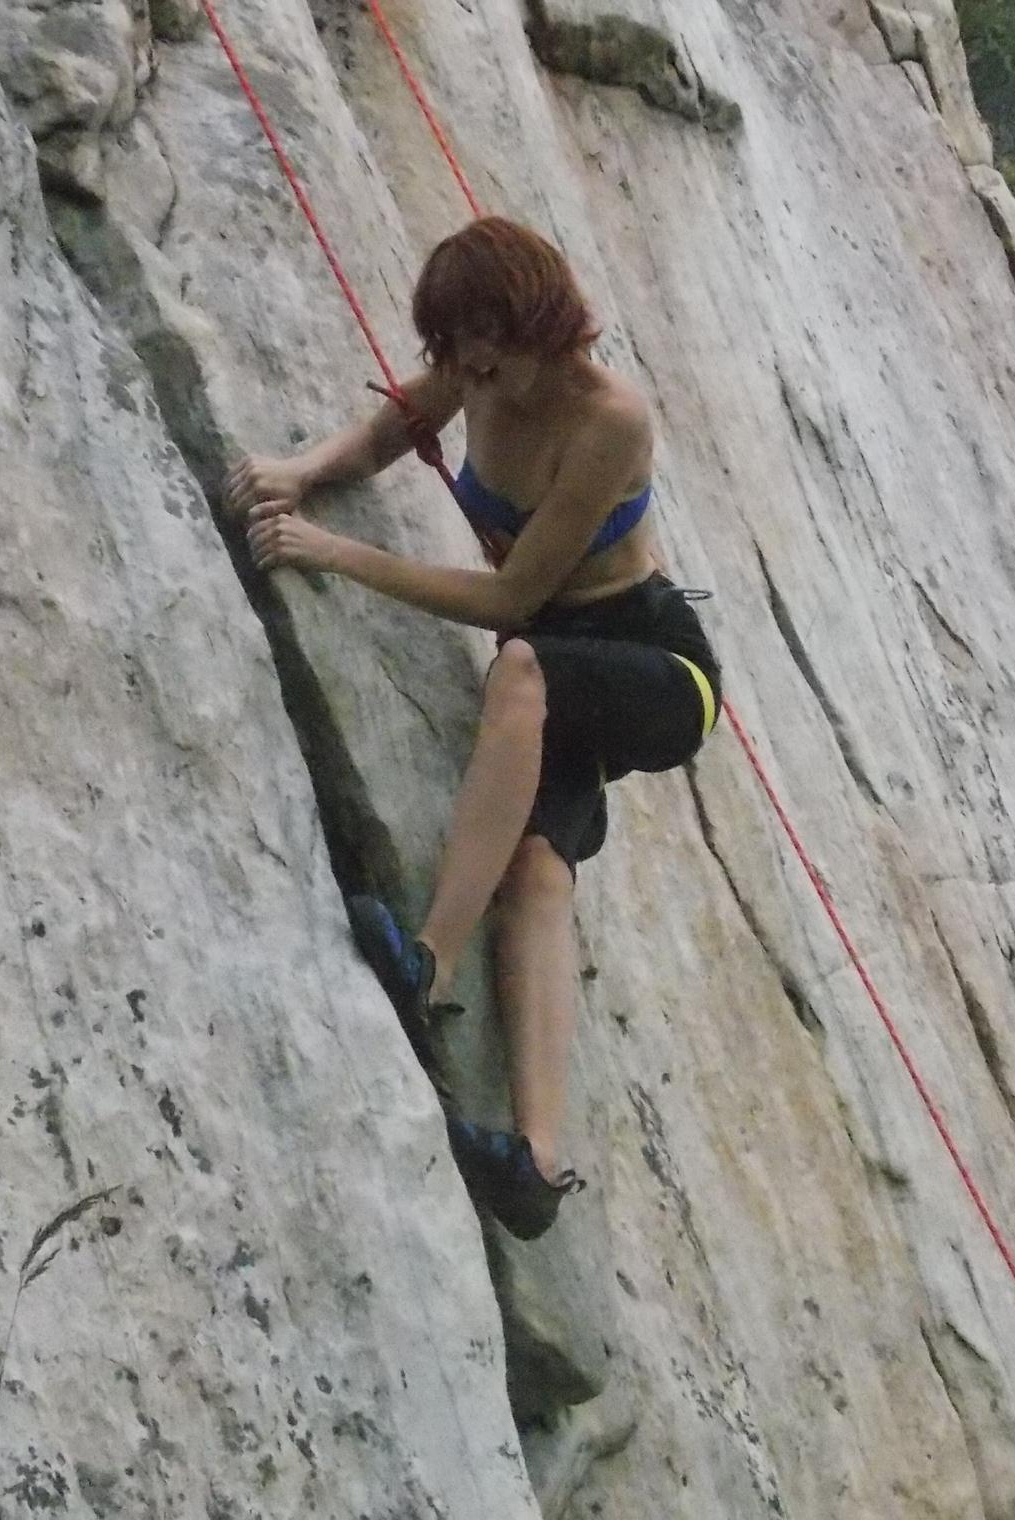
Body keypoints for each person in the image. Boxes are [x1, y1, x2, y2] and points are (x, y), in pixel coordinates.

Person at [224, 217, 720, 1240]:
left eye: (486, 351)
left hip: (653, 662)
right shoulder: (477, 369)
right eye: (458, 353)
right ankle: (534, 1161)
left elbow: (511, 600)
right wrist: (304, 469)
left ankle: (429, 960)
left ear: (536, 323)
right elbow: (390, 429)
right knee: (537, 870)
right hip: (562, 661)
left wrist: (334, 552)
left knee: (522, 668)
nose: (472, 374)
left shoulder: (610, 420)